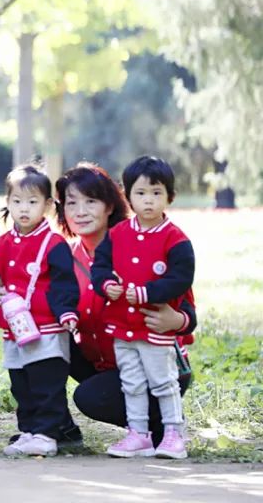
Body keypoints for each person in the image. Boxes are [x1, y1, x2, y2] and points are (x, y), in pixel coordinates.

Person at [0, 162, 195, 445]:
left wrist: (178, 321)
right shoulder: (61, 256)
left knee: (91, 397)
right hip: (101, 364)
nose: (80, 212)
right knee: (45, 344)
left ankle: (160, 424)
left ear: (110, 205)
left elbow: (184, 304)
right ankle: (54, 427)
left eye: (91, 201)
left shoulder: (137, 244)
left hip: (152, 360)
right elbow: (36, 301)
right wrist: (4, 299)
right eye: (71, 203)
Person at [0, 165, 79, 457]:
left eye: (32, 202)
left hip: (47, 329)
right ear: (7, 203)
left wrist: (67, 312)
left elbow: (65, 283)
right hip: (15, 330)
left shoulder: (54, 244)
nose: (24, 209)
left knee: (47, 384)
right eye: (17, 201)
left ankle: (47, 434)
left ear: (47, 205)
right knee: (22, 384)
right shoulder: (1, 245)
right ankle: (29, 429)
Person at [92, 156, 195, 459]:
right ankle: (138, 434)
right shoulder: (117, 234)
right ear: (127, 196)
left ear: (170, 197)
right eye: (140, 193)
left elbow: (180, 279)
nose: (148, 201)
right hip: (123, 325)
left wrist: (147, 292)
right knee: (132, 382)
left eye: (156, 193)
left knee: (163, 381)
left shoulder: (176, 239)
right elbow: (101, 267)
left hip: (154, 327)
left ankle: (174, 433)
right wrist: (105, 284)